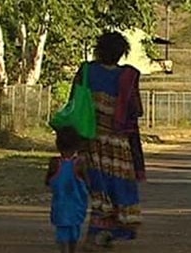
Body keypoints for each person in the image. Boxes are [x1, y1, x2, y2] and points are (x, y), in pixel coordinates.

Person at [70, 31, 144, 248]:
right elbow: (136, 110)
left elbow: (74, 103)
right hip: (118, 145)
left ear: (98, 50)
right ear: (122, 54)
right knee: (116, 189)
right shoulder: (128, 77)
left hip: (90, 141)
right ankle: (100, 237)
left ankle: (98, 236)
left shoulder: (86, 71)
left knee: (99, 191)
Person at [45, 127, 89, 253]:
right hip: (77, 206)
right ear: (77, 146)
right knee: (74, 232)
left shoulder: (54, 163)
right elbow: (87, 183)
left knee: (61, 233)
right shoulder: (80, 164)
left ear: (57, 144)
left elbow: (48, 181)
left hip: (60, 206)